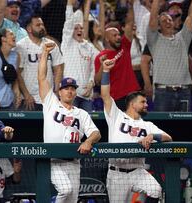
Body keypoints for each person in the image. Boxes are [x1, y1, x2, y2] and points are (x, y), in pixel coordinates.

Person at [100, 58, 172, 202]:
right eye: (143, 102)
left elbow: (168, 137)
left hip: (137, 171)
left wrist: (152, 136)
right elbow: (105, 95)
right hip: (117, 173)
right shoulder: (116, 116)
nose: (146, 105)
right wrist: (106, 71)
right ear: (132, 104)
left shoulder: (147, 125)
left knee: (156, 190)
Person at [38, 42, 101, 203]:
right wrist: (45, 54)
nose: (70, 91)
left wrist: (88, 141)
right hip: (54, 160)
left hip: (73, 162)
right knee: (66, 190)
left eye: (73, 88)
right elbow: (42, 77)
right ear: (60, 91)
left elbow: (96, 133)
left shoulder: (81, 113)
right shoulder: (51, 103)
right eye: (66, 88)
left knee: (72, 199)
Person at [145, 0, 192, 112]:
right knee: (162, 129)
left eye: (170, 20)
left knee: (185, 129)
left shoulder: (183, 38)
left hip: (184, 91)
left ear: (174, 23)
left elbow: (191, 16)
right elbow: (153, 18)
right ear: (159, 26)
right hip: (163, 93)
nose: (168, 22)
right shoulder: (154, 40)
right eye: (164, 21)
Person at [94, 0, 140, 111]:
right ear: (107, 39)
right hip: (115, 99)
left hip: (133, 94)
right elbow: (98, 81)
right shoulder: (100, 57)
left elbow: (129, 23)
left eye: (119, 34)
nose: (118, 37)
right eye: (114, 35)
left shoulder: (125, 45)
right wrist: (102, 66)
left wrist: (130, 5)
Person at [16, 15, 63, 111]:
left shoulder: (51, 45)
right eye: (38, 25)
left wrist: (56, 91)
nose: (42, 27)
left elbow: (58, 69)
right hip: (29, 99)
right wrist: (26, 95)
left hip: (48, 98)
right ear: (29, 28)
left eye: (42, 24)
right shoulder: (21, 46)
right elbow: (18, 73)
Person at [61, 0, 97, 112]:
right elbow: (68, 24)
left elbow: (92, 68)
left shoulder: (89, 47)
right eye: (76, 28)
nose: (79, 30)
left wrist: (91, 82)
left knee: (86, 126)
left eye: (81, 28)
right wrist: (69, 5)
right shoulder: (68, 44)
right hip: (71, 95)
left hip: (86, 96)